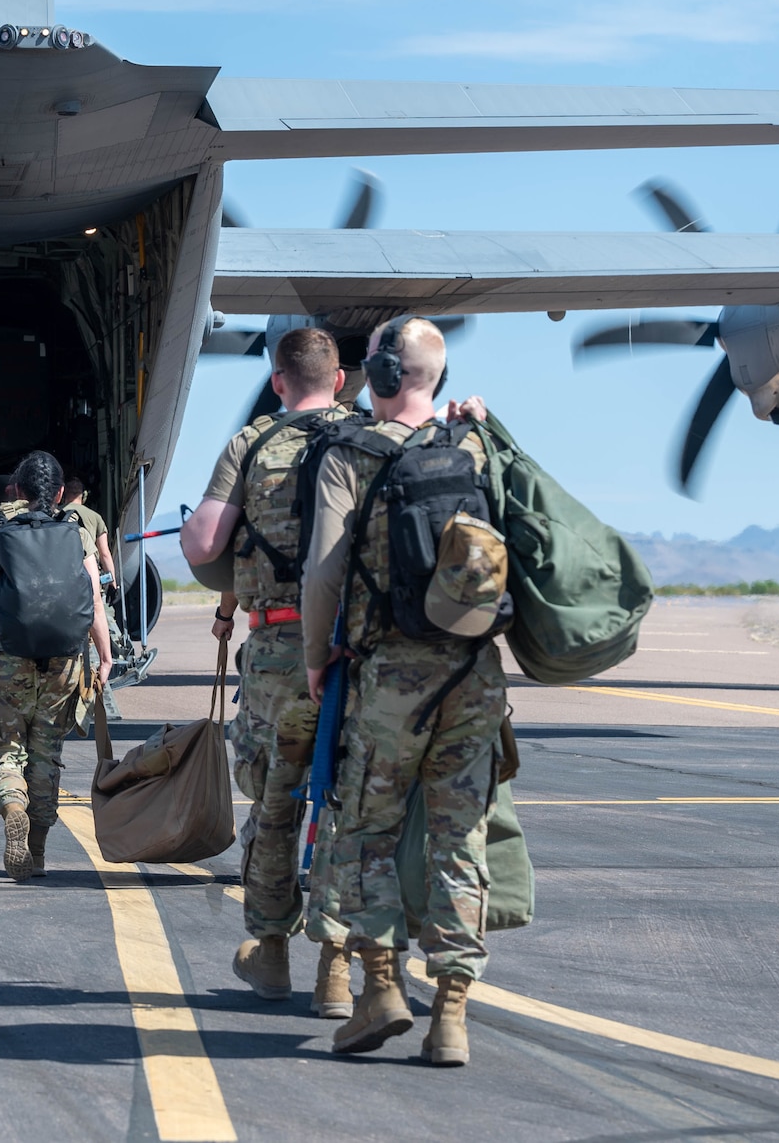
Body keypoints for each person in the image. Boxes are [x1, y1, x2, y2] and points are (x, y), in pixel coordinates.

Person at [298, 315, 500, 1064]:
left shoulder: (347, 452)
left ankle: (379, 989)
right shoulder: (474, 444)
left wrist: (318, 657)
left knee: (366, 829)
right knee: (459, 836)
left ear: (382, 376)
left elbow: (323, 571)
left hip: (389, 676)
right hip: (474, 675)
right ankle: (451, 1012)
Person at [178, 327, 355, 1011]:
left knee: (276, 801)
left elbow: (202, 542)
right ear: (339, 381)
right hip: (354, 652)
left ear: (279, 382)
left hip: (280, 647)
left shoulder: (254, 443)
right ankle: (337, 966)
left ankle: (272, 950)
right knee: (347, 803)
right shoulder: (370, 439)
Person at [0, 450, 112, 881]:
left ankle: (12, 803)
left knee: (4, 747)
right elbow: (92, 599)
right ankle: (36, 852)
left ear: (16, 489)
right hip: (65, 660)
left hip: (7, 655)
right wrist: (105, 656)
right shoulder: (76, 531)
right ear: (57, 492)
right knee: (47, 752)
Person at [61, 478, 116, 581]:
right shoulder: (96, 517)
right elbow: (104, 553)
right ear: (84, 495)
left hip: (62, 574)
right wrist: (113, 582)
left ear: (63, 493)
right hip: (90, 574)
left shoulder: (54, 514)